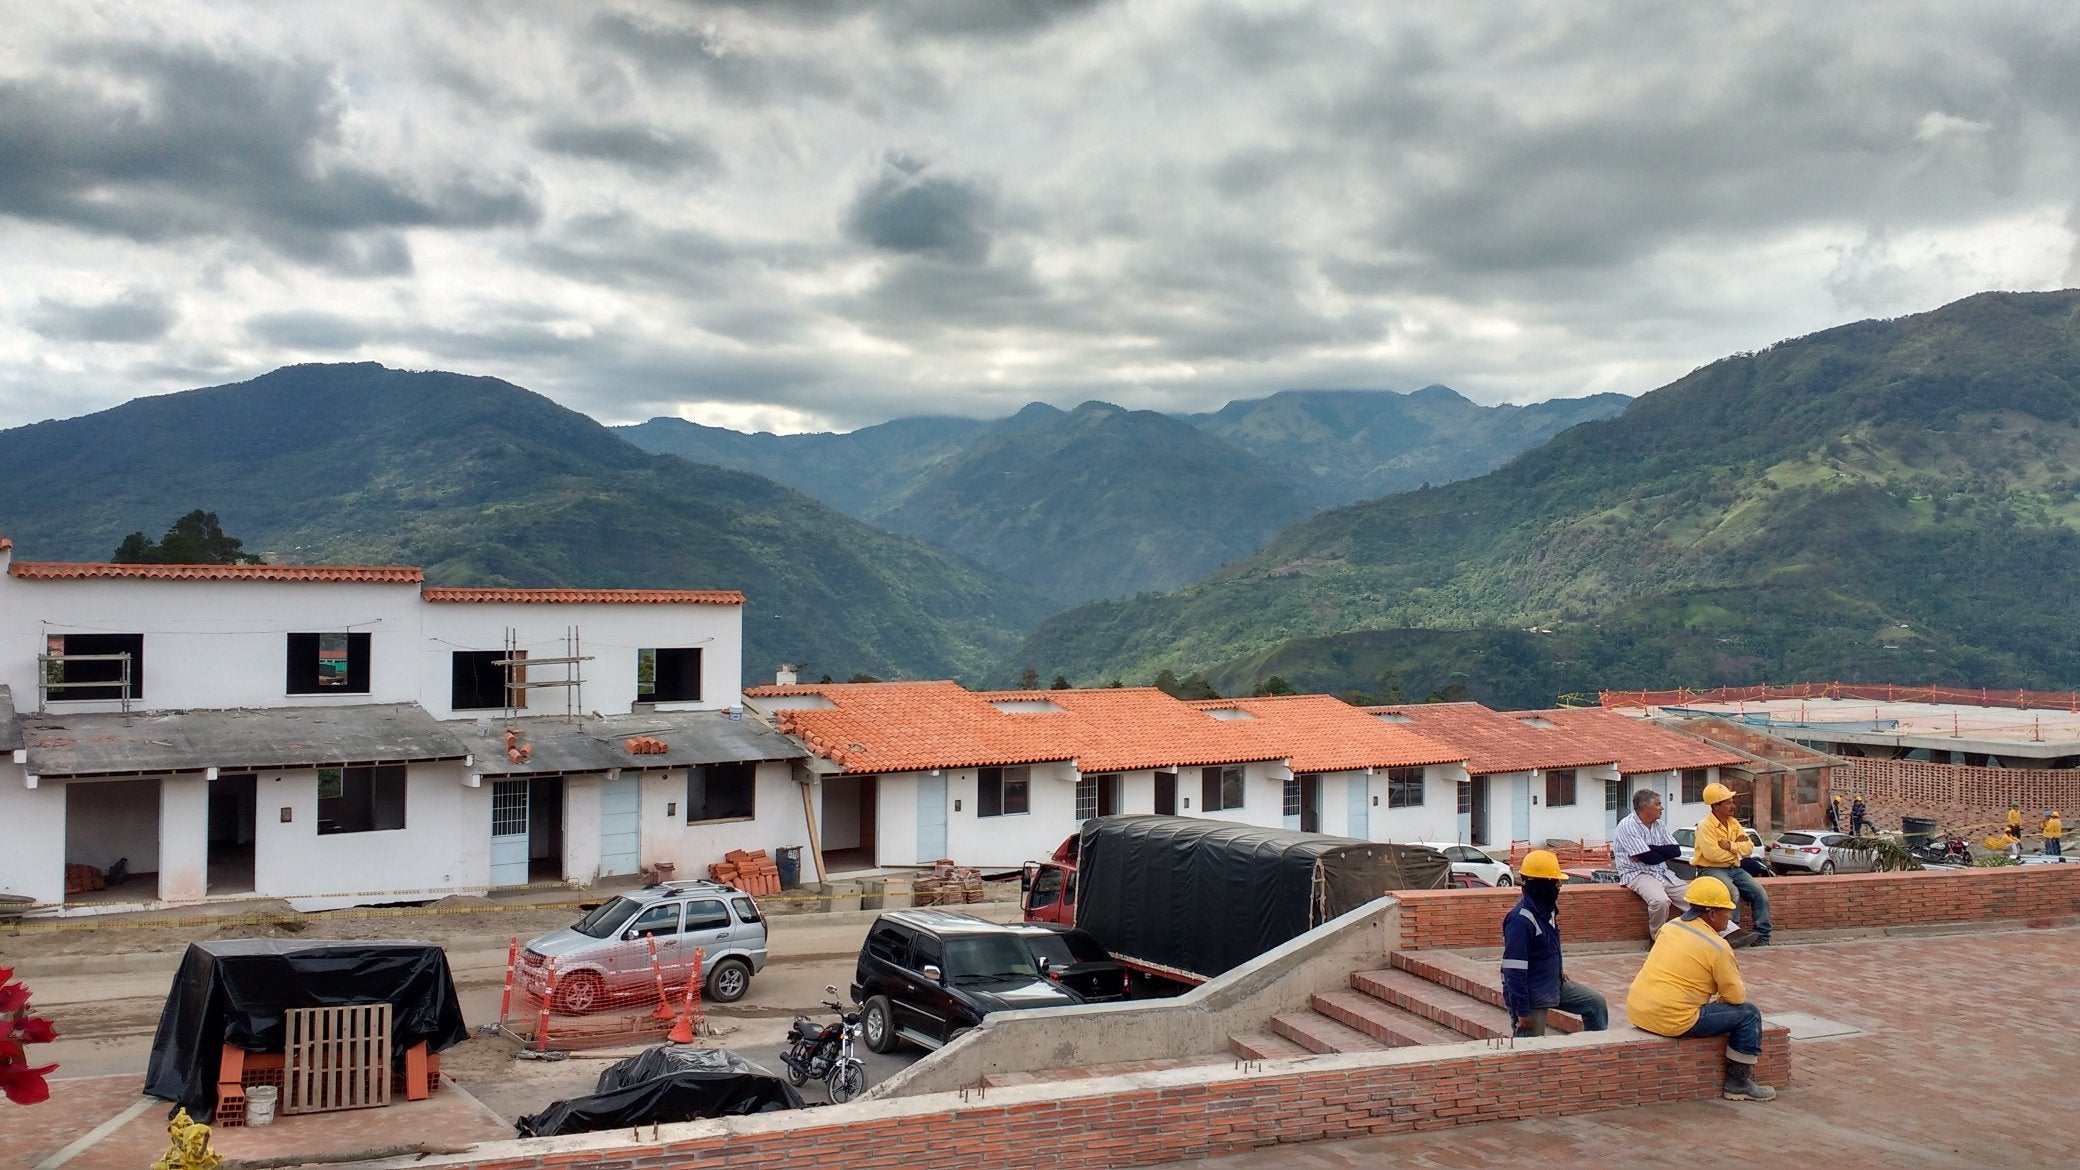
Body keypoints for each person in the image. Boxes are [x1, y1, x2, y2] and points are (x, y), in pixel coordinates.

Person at [1626, 875, 1777, 1102]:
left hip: (1638, 1010)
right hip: (1674, 1020)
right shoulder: (1718, 947)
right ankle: (1738, 1083)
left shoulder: (1669, 927)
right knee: (1749, 1014)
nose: (1730, 917)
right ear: (1712, 914)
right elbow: (1736, 997)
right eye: (1727, 911)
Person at [1500, 849, 1610, 1037]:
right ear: (1542, 884)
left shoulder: (1546, 911)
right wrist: (1522, 1012)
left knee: (1595, 1004)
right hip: (1531, 996)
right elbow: (1513, 970)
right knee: (1532, 1052)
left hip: (1551, 984)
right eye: (1555, 881)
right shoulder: (1520, 919)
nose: (1559, 885)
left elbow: (1545, 948)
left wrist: (1557, 971)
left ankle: (1593, 1051)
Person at [1695, 783, 1771, 945]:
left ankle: (1763, 936)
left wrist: (1730, 846)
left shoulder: (1733, 823)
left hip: (1733, 868)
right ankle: (1732, 934)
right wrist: (1736, 850)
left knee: (1759, 893)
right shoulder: (1705, 826)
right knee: (1732, 893)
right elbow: (1711, 854)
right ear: (1716, 805)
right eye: (1728, 803)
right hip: (1711, 869)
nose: (1733, 806)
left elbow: (1748, 848)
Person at [1613, 788, 1689, 935]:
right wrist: (1652, 853)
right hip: (1637, 874)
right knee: (1660, 901)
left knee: (1694, 898)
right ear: (1645, 807)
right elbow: (1649, 859)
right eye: (1658, 804)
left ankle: (1726, 932)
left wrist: (1649, 848)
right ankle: (1658, 937)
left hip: (1662, 872)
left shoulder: (1658, 824)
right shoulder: (1627, 826)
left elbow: (1675, 850)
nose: (1662, 808)